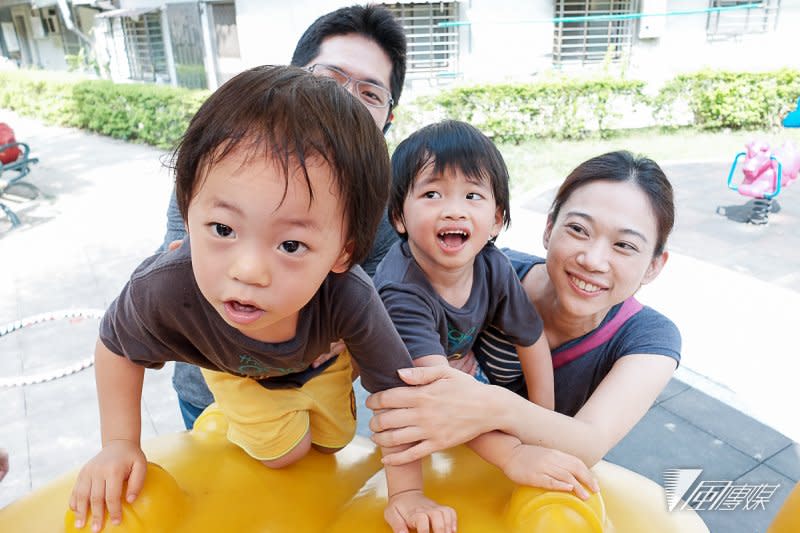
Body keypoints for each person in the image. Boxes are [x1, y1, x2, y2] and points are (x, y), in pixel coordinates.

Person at [69, 66, 453, 533]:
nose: (248, 270)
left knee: (332, 442)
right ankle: (237, 414)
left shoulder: (350, 295)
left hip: (322, 363)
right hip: (235, 369)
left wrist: (408, 494)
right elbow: (115, 347)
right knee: (285, 454)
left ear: (344, 251)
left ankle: (304, 400)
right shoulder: (164, 287)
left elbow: (395, 394)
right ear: (188, 210)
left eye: (291, 245)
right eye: (223, 229)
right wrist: (119, 444)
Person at [165, 4, 407, 429]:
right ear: (293, 76)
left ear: (388, 117)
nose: (343, 99)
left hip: (308, 401)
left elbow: (368, 308)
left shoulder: (381, 203)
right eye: (329, 78)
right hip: (211, 394)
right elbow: (181, 269)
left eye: (370, 93)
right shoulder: (226, 170)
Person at [366, 150, 680, 473]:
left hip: (528, 485)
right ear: (548, 229)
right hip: (435, 468)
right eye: (578, 230)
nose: (593, 260)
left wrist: (489, 404)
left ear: (654, 266)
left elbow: (589, 442)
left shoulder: (648, 338)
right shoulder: (478, 271)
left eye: (624, 246)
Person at [373, 120, 599, 498]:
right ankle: (406, 497)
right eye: (432, 194)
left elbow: (532, 339)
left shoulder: (492, 265)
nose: (454, 211)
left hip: (460, 372)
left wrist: (542, 425)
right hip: (412, 389)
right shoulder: (400, 292)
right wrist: (514, 455)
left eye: (473, 196)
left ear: (496, 219)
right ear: (399, 216)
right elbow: (437, 399)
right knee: (402, 423)